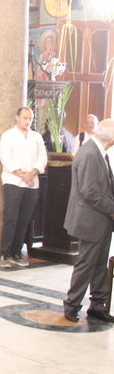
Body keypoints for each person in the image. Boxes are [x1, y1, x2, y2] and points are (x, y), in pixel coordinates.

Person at [63, 118, 114, 323]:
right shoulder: (89, 154)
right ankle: (72, 305)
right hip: (90, 219)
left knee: (100, 264)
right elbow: (89, 191)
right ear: (112, 138)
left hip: (102, 219)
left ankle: (98, 305)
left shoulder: (101, 152)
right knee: (85, 264)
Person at [0, 107, 47, 268]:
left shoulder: (36, 137)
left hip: (32, 184)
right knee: (11, 218)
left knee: (24, 220)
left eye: (30, 118)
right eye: (25, 118)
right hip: (13, 182)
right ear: (17, 117)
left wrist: (33, 172)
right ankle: (5, 253)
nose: (28, 121)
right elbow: (6, 159)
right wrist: (22, 175)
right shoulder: (8, 136)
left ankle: (16, 252)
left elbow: (42, 157)